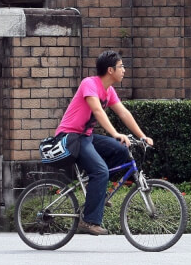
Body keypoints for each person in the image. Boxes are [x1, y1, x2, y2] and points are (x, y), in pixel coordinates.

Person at [54, 50, 154, 236]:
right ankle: (89, 221)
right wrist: (116, 133)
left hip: (86, 136)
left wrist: (142, 136)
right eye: (121, 66)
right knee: (100, 171)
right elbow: (98, 112)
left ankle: (96, 191)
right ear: (110, 70)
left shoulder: (109, 91)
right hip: (71, 137)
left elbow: (123, 113)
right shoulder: (89, 84)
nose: (124, 70)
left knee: (121, 150)